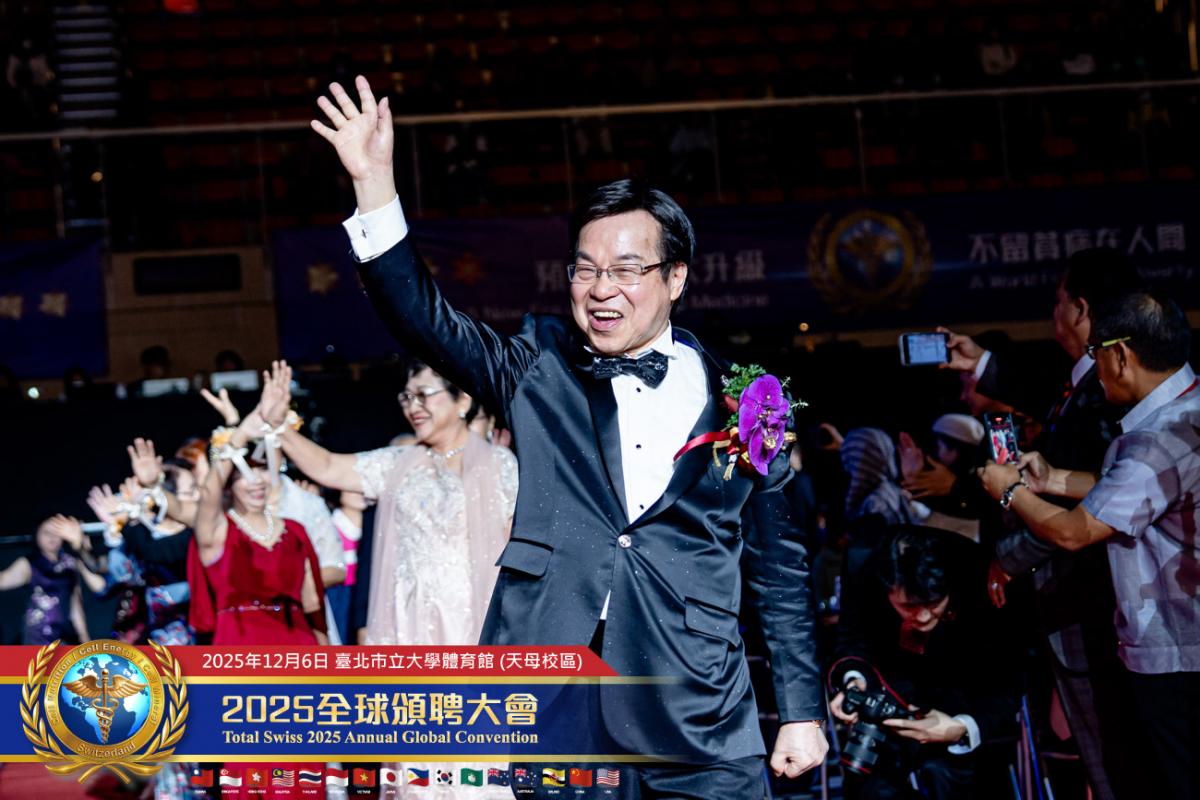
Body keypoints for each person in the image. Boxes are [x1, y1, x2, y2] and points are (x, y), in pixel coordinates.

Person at [312, 76, 826, 795]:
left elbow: (780, 571)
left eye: (626, 270)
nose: (600, 288)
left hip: (698, 706)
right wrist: (374, 187)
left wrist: (800, 710)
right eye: (586, 270)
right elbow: (425, 320)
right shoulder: (540, 368)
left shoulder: (749, 402)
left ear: (677, 278)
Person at [979, 291, 1199, 799]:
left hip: (1177, 654)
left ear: (1120, 355)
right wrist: (1052, 479)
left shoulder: (1155, 438)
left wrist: (1009, 491)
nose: (1093, 368)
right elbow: (1139, 490)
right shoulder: (1188, 408)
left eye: (1095, 353)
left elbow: (1074, 532)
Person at [944, 248, 1145, 800]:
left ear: (1080, 309)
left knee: (1117, 761)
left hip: (1094, 606)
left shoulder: (1114, 399)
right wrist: (981, 363)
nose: (1053, 312)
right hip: (1079, 604)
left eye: (1058, 301)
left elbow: (1096, 507)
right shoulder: (1084, 386)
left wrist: (1009, 554)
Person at [830, 525, 1021, 799]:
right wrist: (854, 681)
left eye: (932, 604)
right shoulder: (863, 565)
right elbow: (853, 638)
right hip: (887, 712)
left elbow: (1007, 676)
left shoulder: (976, 571)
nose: (921, 617)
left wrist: (962, 727)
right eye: (908, 606)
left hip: (963, 709)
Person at [0, 516, 104, 644]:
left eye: (56, 532)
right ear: (36, 535)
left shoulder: (70, 563)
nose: (52, 537)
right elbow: (3, 580)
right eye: (46, 532)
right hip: (37, 639)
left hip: (65, 638)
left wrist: (84, 637)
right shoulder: (29, 564)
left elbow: (76, 603)